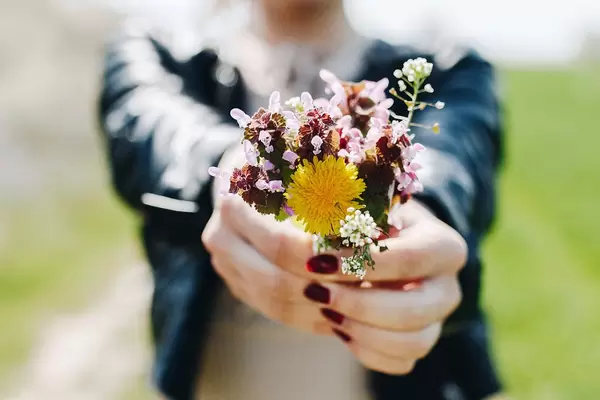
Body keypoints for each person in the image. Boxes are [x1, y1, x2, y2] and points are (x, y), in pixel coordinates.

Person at [98, 0, 505, 399]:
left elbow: (452, 157)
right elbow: (155, 131)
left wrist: (420, 210)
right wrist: (244, 170)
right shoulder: (159, 52)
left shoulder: (451, 69)